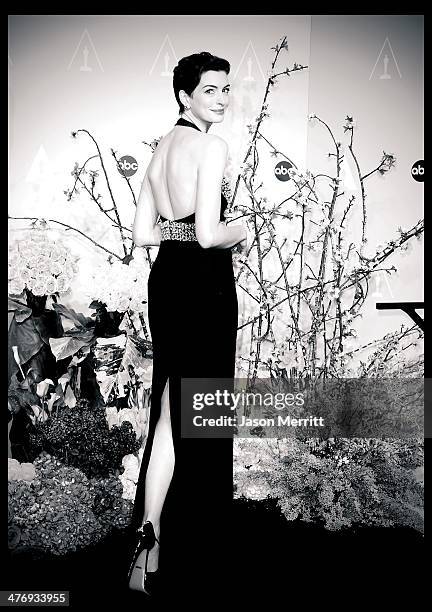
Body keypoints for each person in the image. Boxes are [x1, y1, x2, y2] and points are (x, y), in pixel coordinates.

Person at [127, 51, 247, 597]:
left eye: (226, 89)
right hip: (205, 286)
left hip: (167, 283)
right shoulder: (211, 145)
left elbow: (146, 235)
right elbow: (206, 235)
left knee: (170, 412)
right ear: (185, 95)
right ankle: (205, 552)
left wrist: (197, 229)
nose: (222, 98)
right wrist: (243, 227)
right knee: (205, 414)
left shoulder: (159, 150)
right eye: (211, 90)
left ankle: (148, 538)